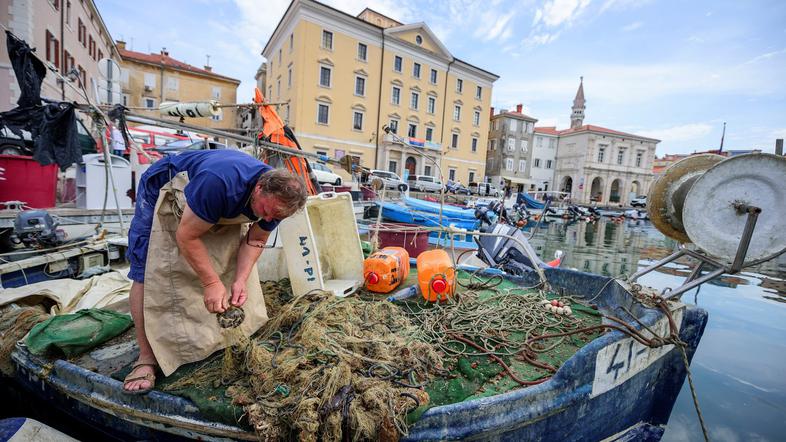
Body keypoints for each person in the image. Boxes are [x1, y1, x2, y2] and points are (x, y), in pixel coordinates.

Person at [122, 149, 307, 393]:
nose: (268, 217)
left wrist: (240, 280)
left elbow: (256, 240)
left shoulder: (277, 203)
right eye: (265, 210)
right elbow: (187, 236)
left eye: (275, 216)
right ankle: (146, 358)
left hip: (214, 201)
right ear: (259, 188)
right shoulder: (219, 182)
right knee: (146, 269)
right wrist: (211, 283)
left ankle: (210, 337)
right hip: (165, 186)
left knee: (224, 265)